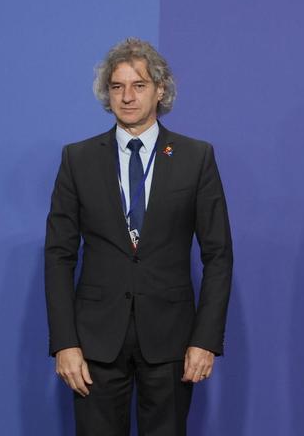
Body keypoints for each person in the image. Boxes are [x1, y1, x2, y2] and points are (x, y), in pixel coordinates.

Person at [45, 38, 233, 436]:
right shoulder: (77, 159)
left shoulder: (196, 157)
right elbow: (58, 255)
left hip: (171, 341)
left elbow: (219, 256)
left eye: (139, 85)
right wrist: (65, 343)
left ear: (160, 90)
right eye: (117, 87)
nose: (127, 97)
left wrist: (205, 340)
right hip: (95, 342)